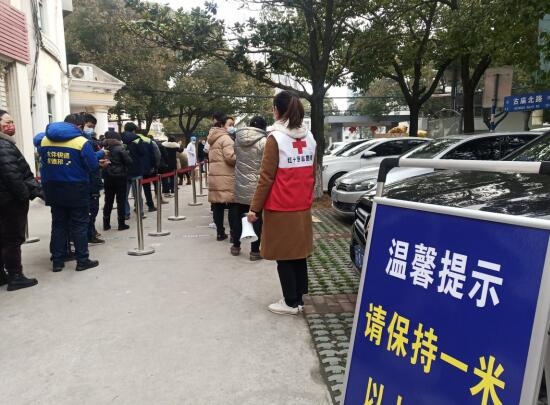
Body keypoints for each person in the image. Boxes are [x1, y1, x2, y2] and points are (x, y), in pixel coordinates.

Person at [248, 91, 316, 316]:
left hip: (280, 207)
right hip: (302, 206)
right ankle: (301, 299)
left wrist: (254, 208)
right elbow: (312, 174)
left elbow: (266, 178)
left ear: (277, 110)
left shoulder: (275, 138)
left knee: (284, 256)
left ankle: (290, 302)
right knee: (299, 254)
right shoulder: (310, 137)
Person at [37, 113, 102, 272]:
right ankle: (82, 260)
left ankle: (57, 261)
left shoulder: (45, 140)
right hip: (76, 188)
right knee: (79, 224)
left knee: (58, 224)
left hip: (52, 187)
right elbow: (92, 166)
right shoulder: (81, 141)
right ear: (79, 126)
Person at [0, 110, 41, 290]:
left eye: (12, 122)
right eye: (7, 123)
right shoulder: (3, 145)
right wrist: (25, 195)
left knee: (3, 237)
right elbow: (12, 176)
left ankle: (2, 275)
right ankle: (15, 276)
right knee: (12, 239)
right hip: (10, 201)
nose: (11, 126)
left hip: (4, 199)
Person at [230, 116, 267, 260]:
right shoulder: (264, 142)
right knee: (255, 218)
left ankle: (236, 246)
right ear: (263, 127)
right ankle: (254, 252)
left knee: (239, 216)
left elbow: (236, 157)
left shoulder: (237, 140)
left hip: (239, 184)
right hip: (256, 187)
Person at [207, 112, 236, 241]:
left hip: (215, 177)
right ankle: (233, 234)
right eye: (230, 125)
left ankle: (220, 233)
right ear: (222, 125)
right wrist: (241, 157)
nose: (232, 127)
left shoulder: (213, 138)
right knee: (232, 205)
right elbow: (230, 158)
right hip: (226, 176)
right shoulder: (226, 138)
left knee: (218, 206)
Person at [81, 113, 105, 245]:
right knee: (91, 210)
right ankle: (89, 235)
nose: (91, 129)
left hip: (83, 182)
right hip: (89, 182)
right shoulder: (84, 141)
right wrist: (101, 154)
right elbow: (88, 161)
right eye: (89, 126)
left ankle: (89, 233)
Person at [102, 130, 132, 231]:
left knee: (108, 201)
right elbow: (129, 161)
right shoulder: (120, 148)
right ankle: (121, 224)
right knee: (121, 201)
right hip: (120, 177)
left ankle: (106, 224)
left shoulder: (104, 149)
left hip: (108, 177)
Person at [121, 123, 146, 219]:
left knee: (124, 195)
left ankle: (126, 213)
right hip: (136, 169)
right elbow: (142, 152)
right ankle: (140, 212)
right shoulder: (137, 139)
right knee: (137, 194)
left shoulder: (120, 138)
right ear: (134, 130)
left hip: (123, 171)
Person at [136, 129, 157, 212]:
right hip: (146, 168)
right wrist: (153, 166)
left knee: (135, 189)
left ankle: (137, 206)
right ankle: (150, 205)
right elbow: (153, 155)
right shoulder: (148, 141)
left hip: (135, 168)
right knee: (147, 188)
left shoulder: (132, 140)